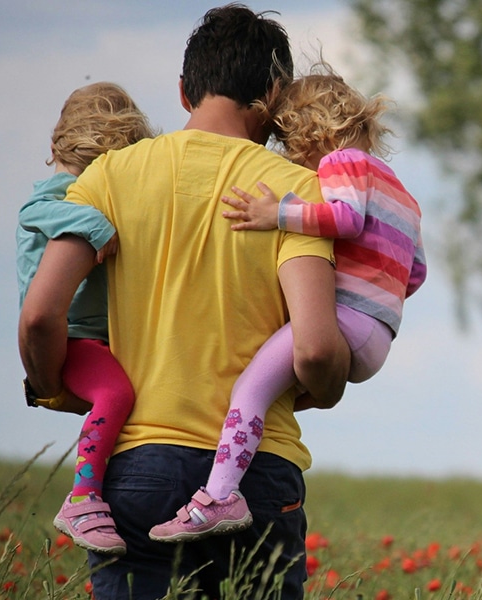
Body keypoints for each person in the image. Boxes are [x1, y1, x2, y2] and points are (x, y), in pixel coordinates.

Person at [18, 4, 350, 598]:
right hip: (257, 472)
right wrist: (322, 390)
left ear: (182, 92)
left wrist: (54, 388)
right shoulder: (297, 192)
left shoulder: (107, 178)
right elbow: (319, 349)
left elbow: (41, 313)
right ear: (274, 93)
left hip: (138, 467)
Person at [149, 66, 427, 543]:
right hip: (379, 334)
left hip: (344, 320)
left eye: (289, 140)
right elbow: (415, 272)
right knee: (274, 393)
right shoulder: (402, 192)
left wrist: (275, 213)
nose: (289, 154)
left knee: (249, 391)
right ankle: (233, 473)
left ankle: (219, 497)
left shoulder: (343, 164)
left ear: (311, 131)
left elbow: (344, 218)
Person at [16, 82, 154, 555]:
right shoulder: (61, 193)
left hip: (94, 337)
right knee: (116, 393)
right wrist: (96, 225)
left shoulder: (80, 188)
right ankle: (83, 497)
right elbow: (34, 210)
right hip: (73, 337)